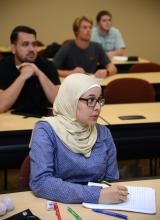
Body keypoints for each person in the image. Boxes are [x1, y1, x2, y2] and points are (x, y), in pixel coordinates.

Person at [29, 73, 128, 203]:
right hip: (60, 204)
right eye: (90, 100)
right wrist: (95, 195)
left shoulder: (103, 133)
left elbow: (111, 180)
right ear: (71, 100)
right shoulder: (46, 130)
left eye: (99, 100)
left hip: (99, 207)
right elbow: (41, 182)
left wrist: (109, 194)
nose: (98, 107)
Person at [0, 25, 60, 114]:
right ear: (13, 48)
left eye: (34, 44)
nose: (31, 49)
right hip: (10, 123)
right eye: (25, 44)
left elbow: (60, 103)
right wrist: (23, 76)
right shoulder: (3, 67)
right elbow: (1, 106)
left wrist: (39, 74)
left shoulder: (47, 65)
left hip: (40, 122)